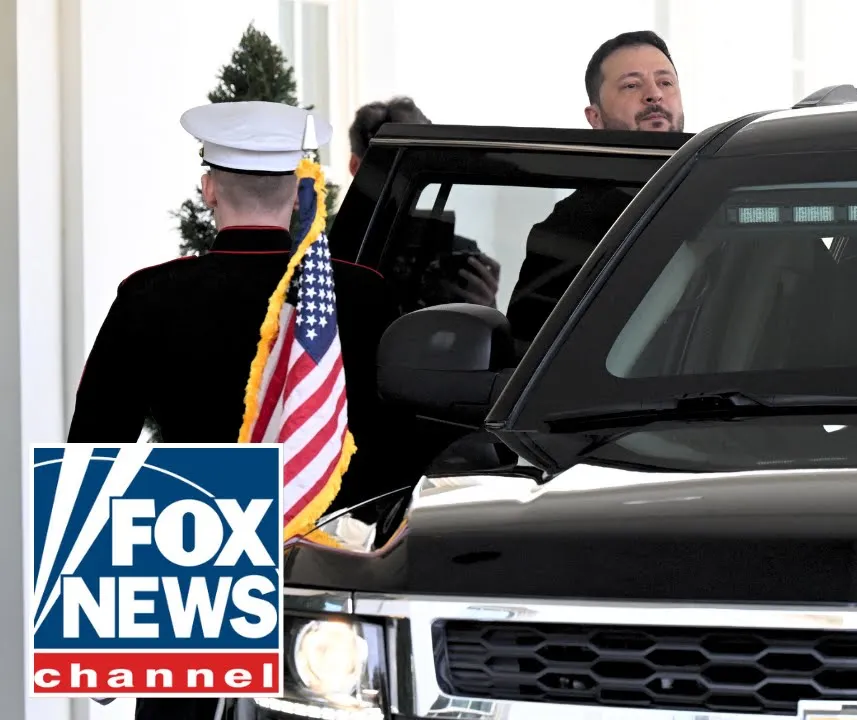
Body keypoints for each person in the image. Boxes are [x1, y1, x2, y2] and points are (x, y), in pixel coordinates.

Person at [69, 100, 421, 720]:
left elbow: (95, 452)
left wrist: (100, 633)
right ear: (298, 192)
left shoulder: (149, 295)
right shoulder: (361, 293)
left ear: (209, 190)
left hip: (187, 569)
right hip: (328, 576)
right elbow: (397, 447)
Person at [506, 31, 684, 349]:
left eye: (665, 82)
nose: (654, 95)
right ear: (595, 118)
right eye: (632, 85)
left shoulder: (719, 195)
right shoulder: (567, 229)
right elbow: (531, 352)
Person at [348, 95, 502, 308]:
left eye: (413, 168)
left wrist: (486, 309)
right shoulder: (325, 247)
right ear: (355, 167)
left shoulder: (324, 245)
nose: (401, 182)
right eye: (387, 168)